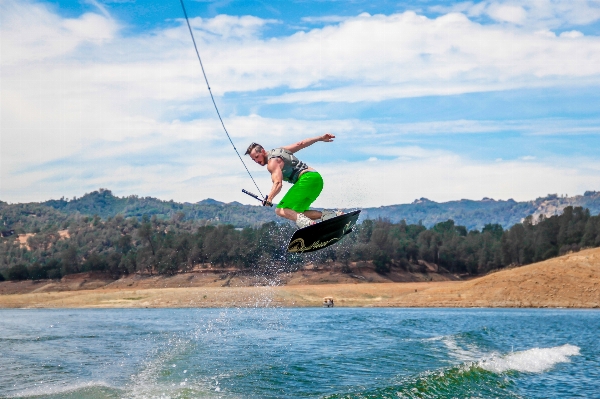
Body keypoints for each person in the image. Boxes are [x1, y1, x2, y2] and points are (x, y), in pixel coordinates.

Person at [245, 134, 341, 228]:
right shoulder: (280, 150)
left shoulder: (272, 163)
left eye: (257, 157)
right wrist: (320, 138)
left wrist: (269, 198)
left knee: (280, 210)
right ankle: (332, 215)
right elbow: (301, 143)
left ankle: (309, 225)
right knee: (295, 212)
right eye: (254, 160)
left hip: (306, 179)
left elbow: (278, 183)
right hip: (317, 179)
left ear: (262, 151)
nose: (257, 161)